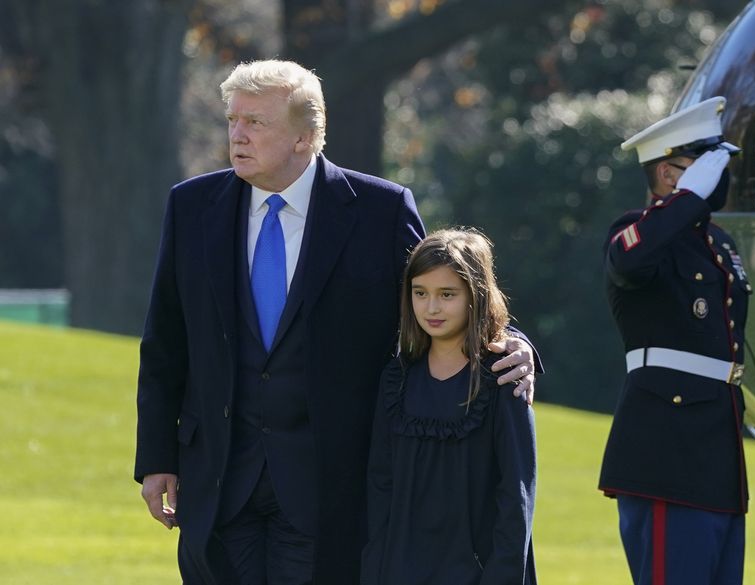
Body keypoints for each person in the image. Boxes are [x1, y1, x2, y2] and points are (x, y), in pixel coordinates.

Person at [133, 59, 538, 585]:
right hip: (217, 480)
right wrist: (157, 457)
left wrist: (513, 343)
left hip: (330, 488)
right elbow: (165, 342)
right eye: (232, 120)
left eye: (255, 122)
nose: (237, 135)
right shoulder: (190, 206)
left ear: (304, 136)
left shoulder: (380, 209)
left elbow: (440, 294)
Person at [598, 96, 752, 585]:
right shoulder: (635, 232)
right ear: (668, 173)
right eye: (708, 165)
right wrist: (685, 201)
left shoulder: (717, 243)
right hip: (667, 449)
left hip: (717, 450)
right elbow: (629, 264)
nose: (720, 177)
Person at [361, 228, 537, 585]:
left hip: (477, 572)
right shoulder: (396, 379)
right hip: (400, 571)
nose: (431, 307)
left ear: (477, 295)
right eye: (420, 293)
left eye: (447, 294)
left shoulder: (503, 377)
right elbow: (381, 486)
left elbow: (516, 495)